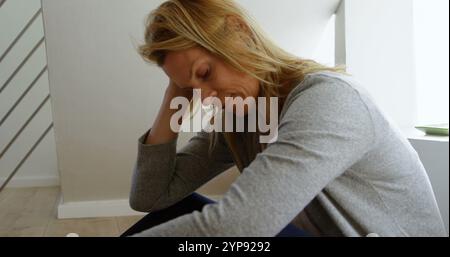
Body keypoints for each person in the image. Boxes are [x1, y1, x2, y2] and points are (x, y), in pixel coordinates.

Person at [123, 0, 446, 237]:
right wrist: (173, 96)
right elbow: (150, 197)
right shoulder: (243, 117)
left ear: (239, 32)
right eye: (191, 87)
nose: (205, 99)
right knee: (178, 213)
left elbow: (239, 225)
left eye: (205, 73)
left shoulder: (329, 99)